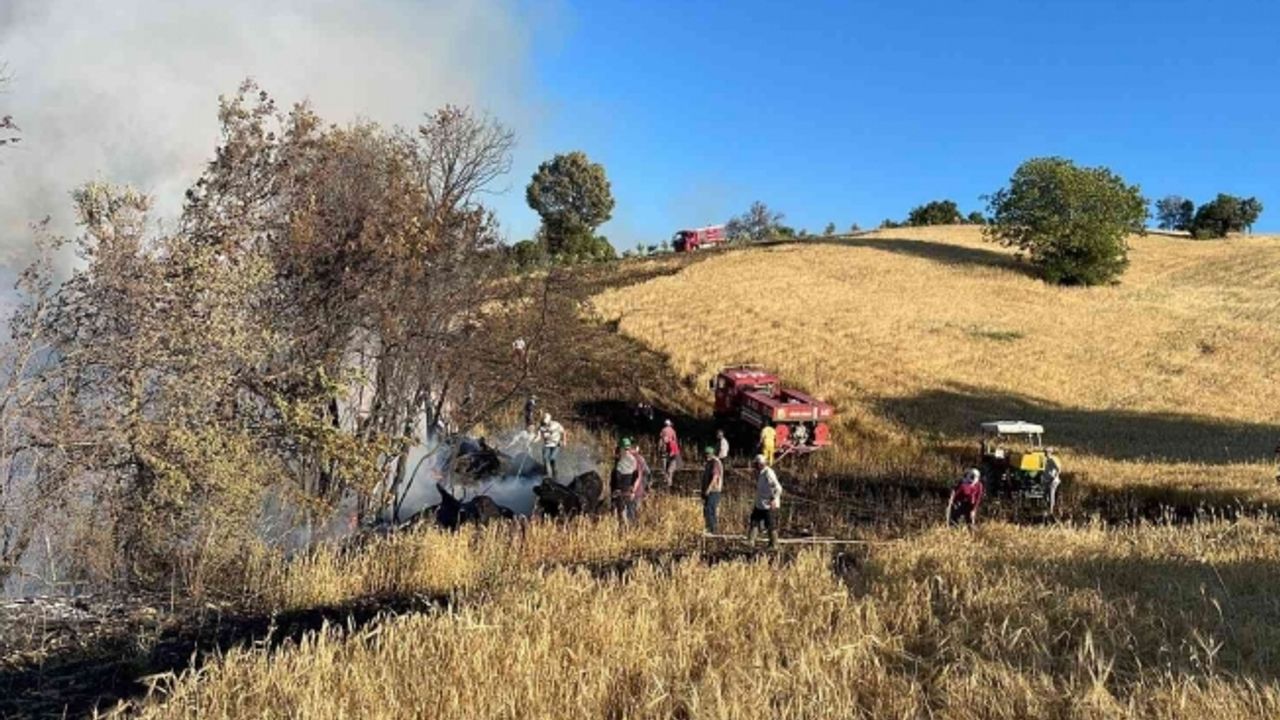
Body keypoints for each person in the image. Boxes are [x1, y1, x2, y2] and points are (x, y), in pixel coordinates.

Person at [747, 454, 782, 548]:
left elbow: (778, 488)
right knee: (754, 521)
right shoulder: (760, 473)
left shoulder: (768, 473)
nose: (754, 466)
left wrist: (773, 499)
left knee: (770, 525)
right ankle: (751, 542)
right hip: (760, 504)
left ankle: (774, 544)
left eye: (756, 464)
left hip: (768, 505)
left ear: (760, 464)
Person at [611, 438, 648, 524]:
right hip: (629, 493)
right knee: (627, 517)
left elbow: (637, 477)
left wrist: (632, 490)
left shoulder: (635, 459)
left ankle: (630, 533)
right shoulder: (625, 459)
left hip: (631, 493)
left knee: (629, 517)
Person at [700, 445, 724, 534]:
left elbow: (715, 477)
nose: (705, 457)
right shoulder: (709, 463)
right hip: (709, 491)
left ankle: (713, 529)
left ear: (709, 454)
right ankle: (709, 527)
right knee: (706, 509)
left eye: (706, 455)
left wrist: (708, 489)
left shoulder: (715, 463)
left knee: (710, 509)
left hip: (714, 490)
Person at [539, 412, 566, 481]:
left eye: (546, 423)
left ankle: (554, 475)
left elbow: (563, 432)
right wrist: (534, 440)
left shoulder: (556, 425)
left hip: (556, 444)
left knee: (552, 459)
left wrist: (564, 441)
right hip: (547, 445)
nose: (545, 424)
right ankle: (545, 474)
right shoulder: (542, 427)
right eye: (544, 423)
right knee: (545, 458)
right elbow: (539, 436)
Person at [659, 419, 681, 488]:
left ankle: (667, 481)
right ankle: (669, 482)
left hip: (666, 452)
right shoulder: (673, 430)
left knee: (665, 468)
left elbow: (660, 440)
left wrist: (659, 449)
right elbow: (675, 439)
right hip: (672, 453)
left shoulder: (663, 430)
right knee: (669, 470)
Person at [1043, 448, 1063, 515]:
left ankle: (1051, 511)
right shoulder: (1047, 460)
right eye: (1044, 452)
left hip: (1053, 481)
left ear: (1049, 452)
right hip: (1047, 480)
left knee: (1051, 494)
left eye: (1046, 452)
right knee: (1045, 495)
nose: (1045, 453)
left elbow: (1059, 468)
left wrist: (1055, 477)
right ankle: (1048, 508)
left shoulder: (1052, 460)